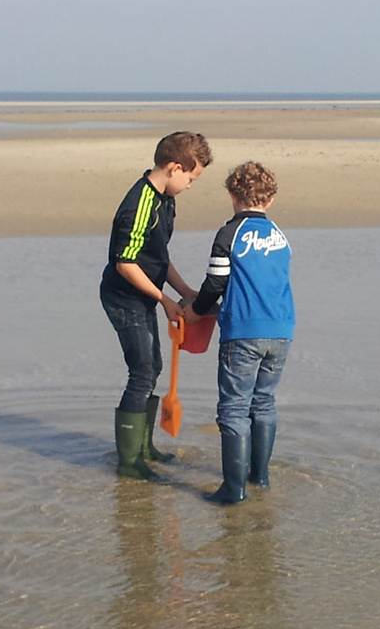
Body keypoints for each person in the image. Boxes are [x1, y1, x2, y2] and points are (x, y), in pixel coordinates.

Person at [101, 132, 212, 478]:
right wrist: (164, 299)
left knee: (153, 366)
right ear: (174, 167)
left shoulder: (166, 200)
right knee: (142, 371)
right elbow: (125, 263)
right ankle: (129, 462)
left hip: (145, 295)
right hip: (123, 297)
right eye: (191, 178)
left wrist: (186, 290)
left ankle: (145, 447)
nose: (190, 186)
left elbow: (159, 258)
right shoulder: (139, 205)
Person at [189, 161, 294, 504]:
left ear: (233, 196)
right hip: (281, 330)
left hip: (244, 332)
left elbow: (215, 282)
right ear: (270, 199)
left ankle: (233, 491)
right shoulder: (280, 236)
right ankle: (259, 478)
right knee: (263, 402)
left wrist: (196, 310)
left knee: (234, 408)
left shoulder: (229, 233)